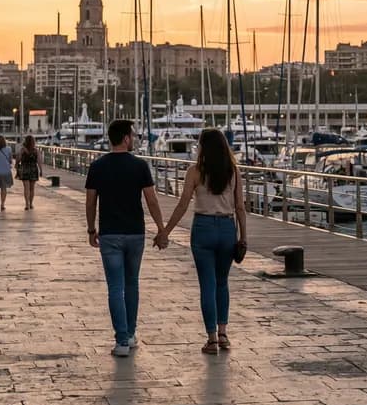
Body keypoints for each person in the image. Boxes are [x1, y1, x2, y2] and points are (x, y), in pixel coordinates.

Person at [160, 128, 247, 355]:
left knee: (207, 285)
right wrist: (243, 237)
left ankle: (211, 339)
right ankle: (223, 333)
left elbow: (182, 205)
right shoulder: (233, 172)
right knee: (222, 283)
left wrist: (165, 232)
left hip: (203, 229)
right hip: (227, 229)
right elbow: (240, 207)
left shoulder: (195, 172)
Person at [85, 119, 165, 357]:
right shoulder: (140, 166)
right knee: (132, 284)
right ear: (126, 138)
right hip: (135, 233)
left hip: (109, 233)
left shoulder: (97, 166)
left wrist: (91, 229)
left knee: (115, 287)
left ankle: (121, 341)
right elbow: (151, 200)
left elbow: (90, 201)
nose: (134, 138)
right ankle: (130, 334)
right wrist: (161, 229)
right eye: (133, 135)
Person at [17, 135, 43, 210]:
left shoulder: (22, 150)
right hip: (33, 169)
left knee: (26, 188)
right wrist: (41, 170)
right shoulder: (36, 151)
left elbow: (18, 159)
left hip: (24, 169)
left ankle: (26, 204)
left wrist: (17, 165)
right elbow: (39, 161)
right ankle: (31, 203)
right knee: (32, 189)